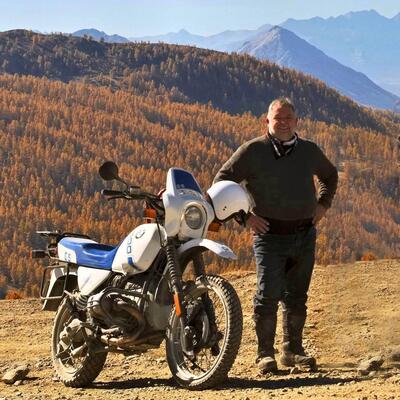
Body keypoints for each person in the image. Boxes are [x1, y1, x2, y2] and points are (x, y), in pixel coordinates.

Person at [213, 98, 338, 373]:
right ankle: (264, 355)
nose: (283, 123)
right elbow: (221, 182)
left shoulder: (309, 151)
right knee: (267, 295)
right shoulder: (253, 150)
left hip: (304, 234)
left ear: (296, 121)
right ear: (266, 121)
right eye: (278, 118)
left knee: (297, 296)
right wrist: (245, 217)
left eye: (288, 118)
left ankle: (292, 351)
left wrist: (323, 204)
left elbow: (330, 176)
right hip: (269, 236)